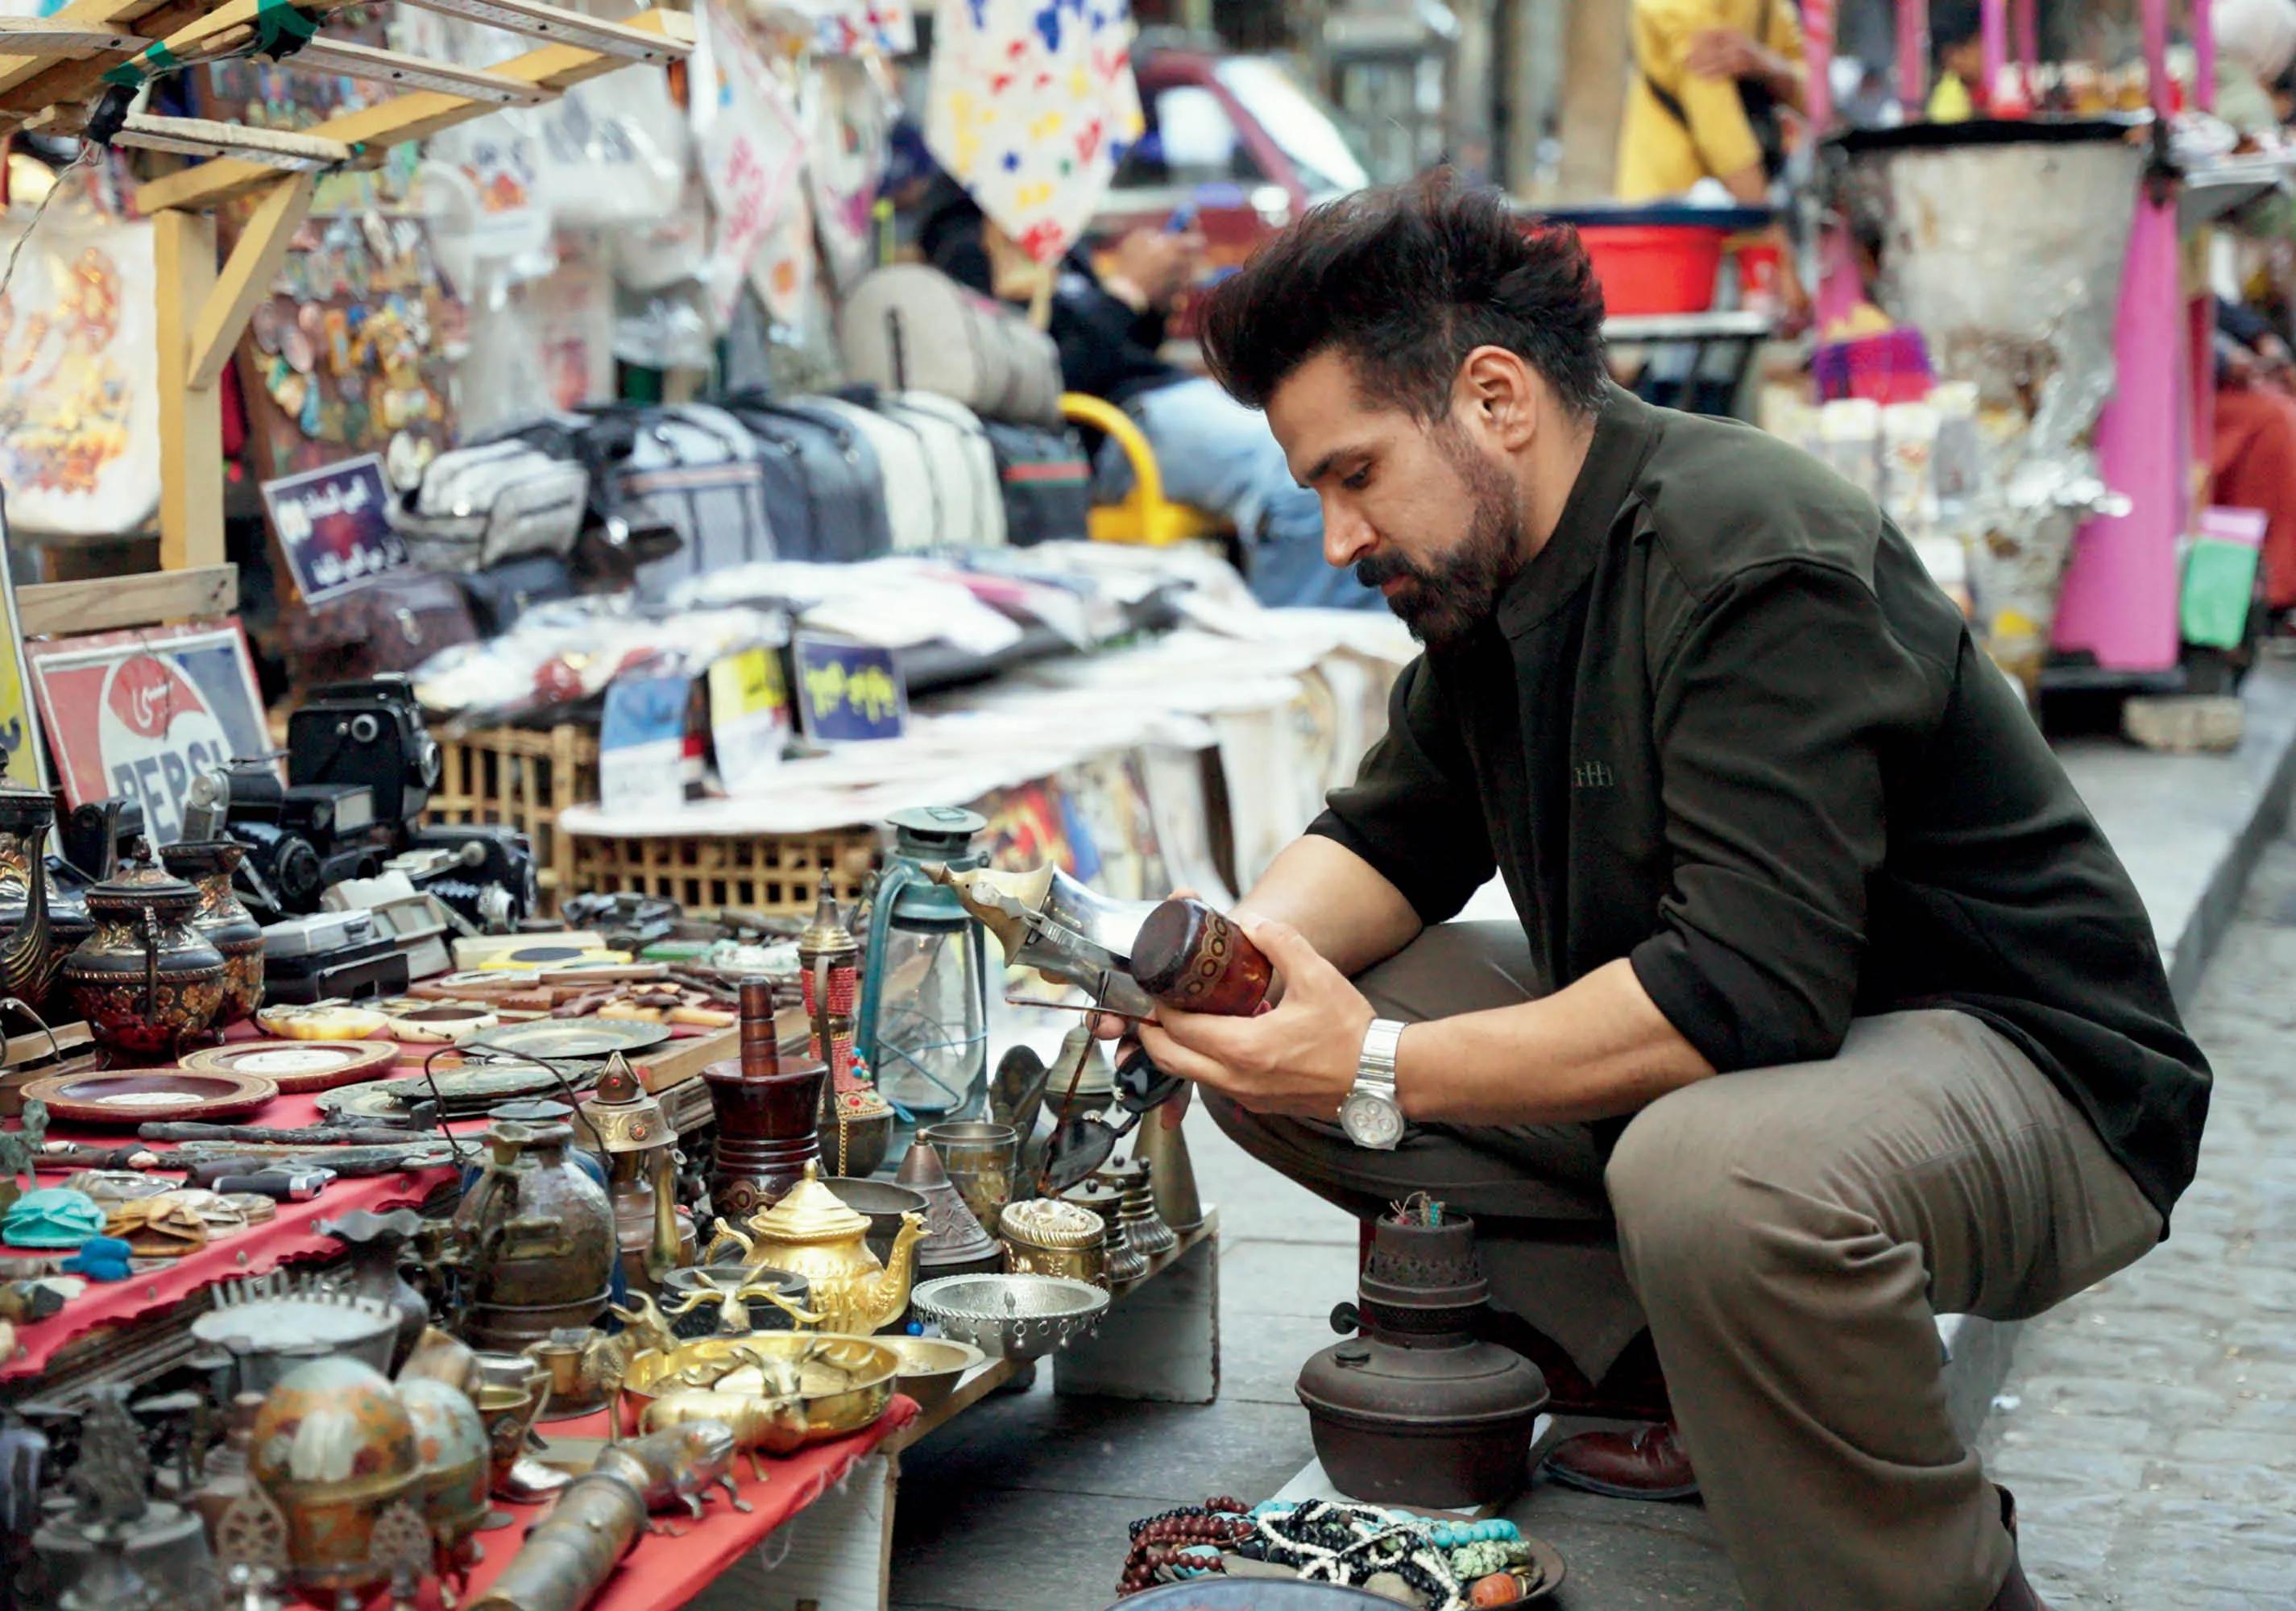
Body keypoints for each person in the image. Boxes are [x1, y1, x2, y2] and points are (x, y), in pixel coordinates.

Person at [1100, 175, 2210, 1611]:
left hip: (2033, 1072)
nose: (1338, 536)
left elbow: (1746, 991)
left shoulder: (1750, 549)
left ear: (1494, 398)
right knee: (1265, 1034)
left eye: (1356, 473)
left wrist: (1372, 1061)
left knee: (1710, 1175)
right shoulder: (1492, 582)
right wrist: (1206, 978)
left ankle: (1931, 1583)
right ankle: (1674, 1377)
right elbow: (1388, 843)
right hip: (1781, 1059)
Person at [915, 174, 1380, 612]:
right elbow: (1041, 375)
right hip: (1106, 427)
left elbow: (1110, 347)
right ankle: (1300, 666)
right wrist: (1124, 291)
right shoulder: (968, 241)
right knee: (1300, 478)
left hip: (1153, 403)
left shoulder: (1045, 223)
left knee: (1350, 455)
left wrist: (1151, 300)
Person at [1616, 0, 1805, 204]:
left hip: (1743, 203)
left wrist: (1766, 65)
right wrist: (1765, 220)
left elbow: (1817, 96)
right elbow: (1717, 122)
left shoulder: (1772, 8)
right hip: (1672, 207)